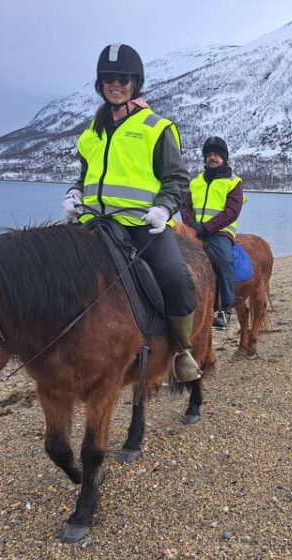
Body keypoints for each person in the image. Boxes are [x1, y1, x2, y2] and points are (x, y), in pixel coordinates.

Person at [62, 43, 200, 382]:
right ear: (100, 84)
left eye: (123, 78)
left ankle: (182, 350)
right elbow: (86, 174)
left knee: (176, 278)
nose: (116, 84)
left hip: (140, 224)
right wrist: (74, 193)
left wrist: (164, 208)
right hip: (92, 223)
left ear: (135, 82)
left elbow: (177, 178)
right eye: (109, 78)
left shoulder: (157, 127)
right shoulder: (91, 132)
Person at [180, 136, 245, 330]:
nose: (212, 158)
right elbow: (185, 207)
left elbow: (231, 212)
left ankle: (225, 310)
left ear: (224, 157)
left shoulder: (234, 182)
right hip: (195, 232)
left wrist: (207, 227)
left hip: (220, 234)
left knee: (225, 260)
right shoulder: (196, 182)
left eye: (216, 154)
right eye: (209, 155)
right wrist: (192, 225)